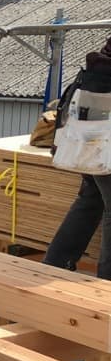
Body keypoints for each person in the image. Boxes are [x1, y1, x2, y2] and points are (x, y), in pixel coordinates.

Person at [44, 37, 111, 278]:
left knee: (91, 197)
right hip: (104, 133)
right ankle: (107, 285)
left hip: (92, 132)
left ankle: (55, 264)